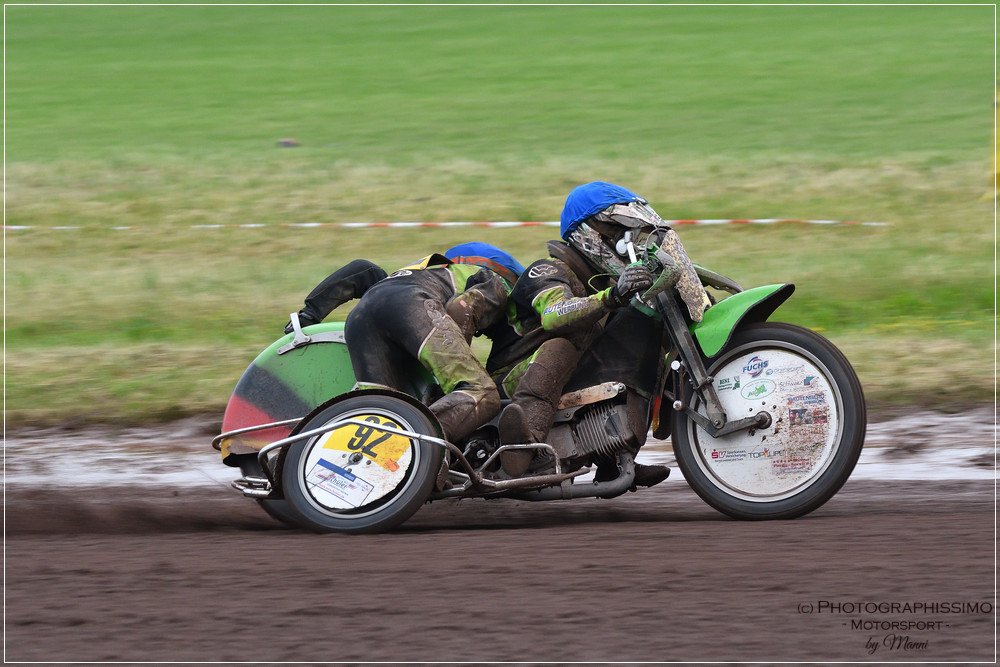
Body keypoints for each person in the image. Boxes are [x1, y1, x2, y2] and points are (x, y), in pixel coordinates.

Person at [487, 181, 671, 487]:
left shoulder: (601, 281)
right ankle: (526, 448)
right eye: (616, 234)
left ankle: (616, 458)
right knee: (561, 346)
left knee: (643, 341)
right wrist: (613, 296)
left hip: (566, 378)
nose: (626, 243)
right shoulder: (546, 270)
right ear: (588, 234)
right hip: (511, 382)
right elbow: (554, 315)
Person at [342, 243, 524, 443]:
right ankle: (409, 447)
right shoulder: (494, 280)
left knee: (380, 415)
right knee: (481, 392)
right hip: (411, 306)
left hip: (359, 317)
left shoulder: (425, 272)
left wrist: (309, 315)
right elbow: (460, 309)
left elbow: (356, 268)